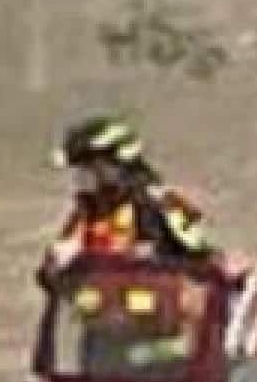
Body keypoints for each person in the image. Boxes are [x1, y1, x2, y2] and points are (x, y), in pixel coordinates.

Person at [39, 113, 228, 287]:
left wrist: (149, 259)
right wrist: (57, 262)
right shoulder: (85, 211)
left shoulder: (160, 204)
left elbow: (202, 260)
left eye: (90, 167)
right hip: (95, 313)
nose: (82, 176)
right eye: (80, 169)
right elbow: (49, 272)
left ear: (119, 164)